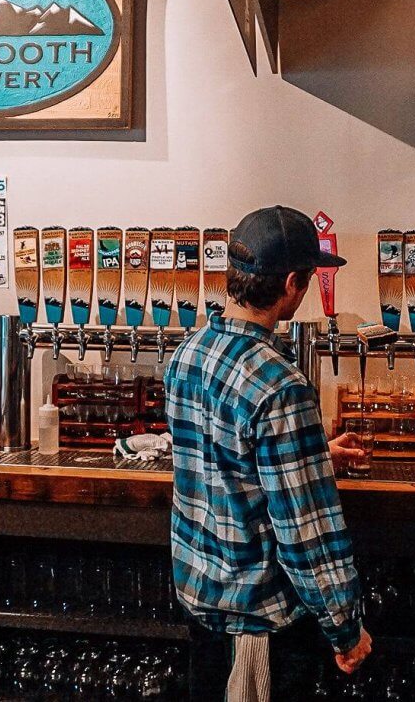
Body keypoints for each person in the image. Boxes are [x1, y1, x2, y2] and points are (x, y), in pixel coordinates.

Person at [165, 206, 372, 701]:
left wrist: (313, 453)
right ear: (293, 283)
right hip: (258, 631)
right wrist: (345, 628)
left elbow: (224, 458)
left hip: (202, 610)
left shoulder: (189, 351)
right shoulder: (280, 386)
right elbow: (306, 534)